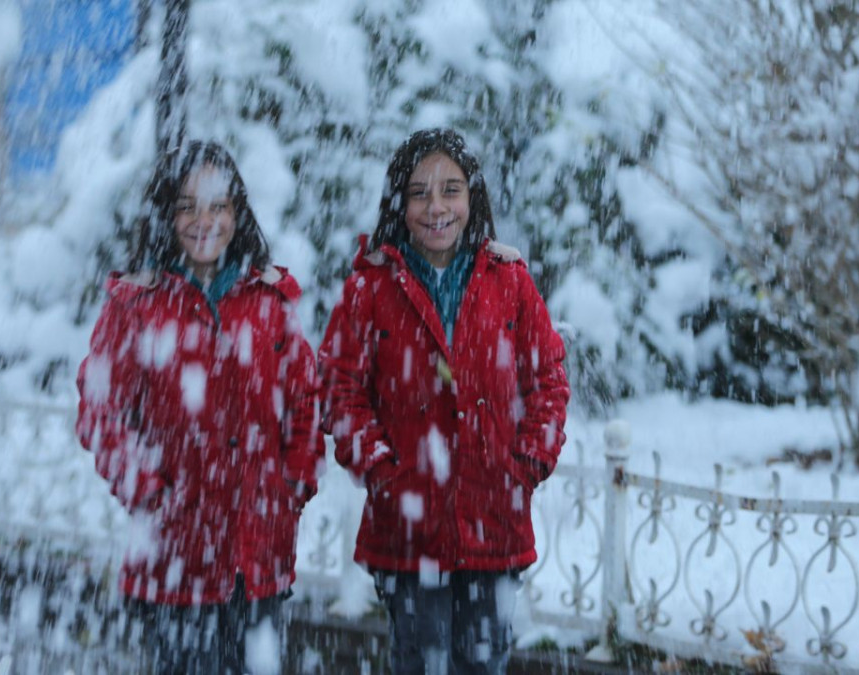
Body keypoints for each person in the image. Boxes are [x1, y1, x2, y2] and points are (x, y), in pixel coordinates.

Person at [319, 128, 570, 674]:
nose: (436, 207)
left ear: (472, 198)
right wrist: (382, 470)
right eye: (419, 193)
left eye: (451, 190)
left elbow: (548, 379)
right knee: (419, 662)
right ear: (399, 203)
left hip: (493, 526)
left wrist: (525, 464)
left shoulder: (510, 281)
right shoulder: (370, 289)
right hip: (406, 532)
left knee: (483, 664)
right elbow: (339, 390)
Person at [76, 140, 322, 674]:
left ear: (238, 214)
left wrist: (290, 488)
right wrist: (149, 493)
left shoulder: (269, 301)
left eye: (217, 205)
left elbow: (306, 402)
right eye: (187, 205)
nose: (203, 220)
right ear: (167, 214)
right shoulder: (136, 306)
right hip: (175, 559)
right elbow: (100, 411)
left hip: (257, 556)